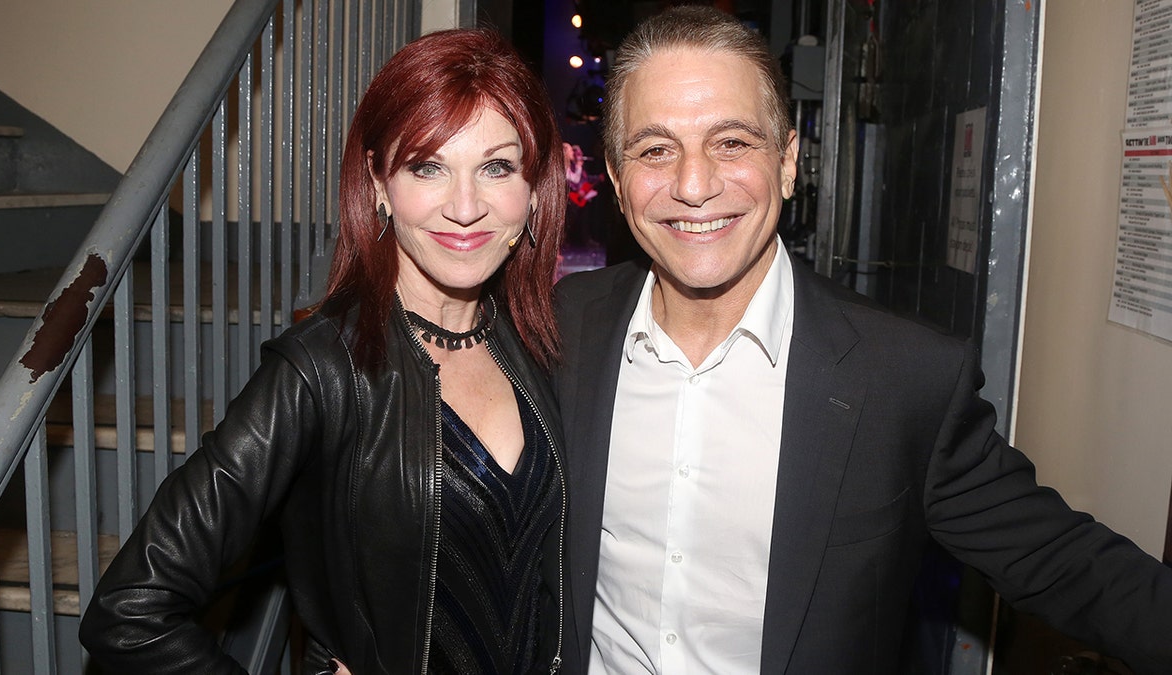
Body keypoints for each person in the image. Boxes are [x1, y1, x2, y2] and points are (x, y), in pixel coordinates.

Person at [551, 6, 1172, 675]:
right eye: (655, 149)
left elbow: (1065, 564)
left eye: (731, 143)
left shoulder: (902, 376)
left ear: (787, 161)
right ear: (617, 181)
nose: (694, 185)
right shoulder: (560, 328)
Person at [80, 28, 568, 675]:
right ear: (378, 182)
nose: (466, 205)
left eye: (497, 166)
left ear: (534, 189)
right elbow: (129, 608)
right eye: (428, 166)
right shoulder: (320, 370)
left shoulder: (541, 344)